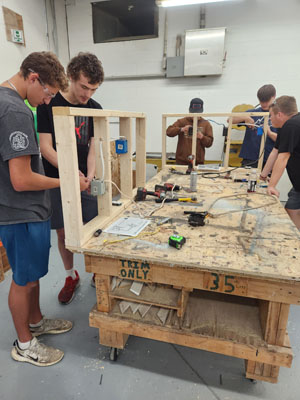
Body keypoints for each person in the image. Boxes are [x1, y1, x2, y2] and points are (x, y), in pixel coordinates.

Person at [0, 52, 90, 366]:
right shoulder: (15, 111)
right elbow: (21, 179)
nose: (47, 100)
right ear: (33, 78)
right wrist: (65, 181)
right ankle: (25, 344)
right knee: (23, 279)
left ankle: (36, 322)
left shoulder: (9, 103)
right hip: (18, 210)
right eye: (48, 93)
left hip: (26, 210)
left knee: (33, 275)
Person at [37, 52, 104, 304]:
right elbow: (46, 147)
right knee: (64, 232)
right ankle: (70, 275)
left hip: (84, 179)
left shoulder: (95, 109)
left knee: (94, 227)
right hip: (57, 179)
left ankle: (98, 271)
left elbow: (92, 149)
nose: (87, 95)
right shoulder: (48, 104)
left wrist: (88, 176)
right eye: (84, 87)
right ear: (71, 77)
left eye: (93, 89)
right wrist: (68, 173)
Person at [260, 96, 300, 230]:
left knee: (292, 210)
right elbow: (275, 152)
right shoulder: (286, 126)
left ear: (280, 114)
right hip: (298, 184)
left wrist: (272, 186)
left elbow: (283, 158)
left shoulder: (292, 125)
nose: (270, 119)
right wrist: (263, 176)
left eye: (271, 116)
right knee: (291, 210)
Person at [231, 84, 277, 167]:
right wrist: (245, 117)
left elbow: (282, 140)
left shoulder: (279, 115)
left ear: (274, 97)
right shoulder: (252, 112)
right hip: (250, 157)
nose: (264, 104)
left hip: (269, 159)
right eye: (261, 101)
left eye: (266, 101)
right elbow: (230, 120)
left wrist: (269, 133)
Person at [166, 98, 213, 165]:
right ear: (189, 110)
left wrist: (202, 137)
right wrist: (181, 129)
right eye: (193, 112)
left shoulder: (206, 124)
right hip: (181, 162)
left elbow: (209, 143)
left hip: (198, 162)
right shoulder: (182, 121)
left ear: (201, 111)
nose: (195, 115)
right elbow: (168, 132)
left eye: (198, 113)